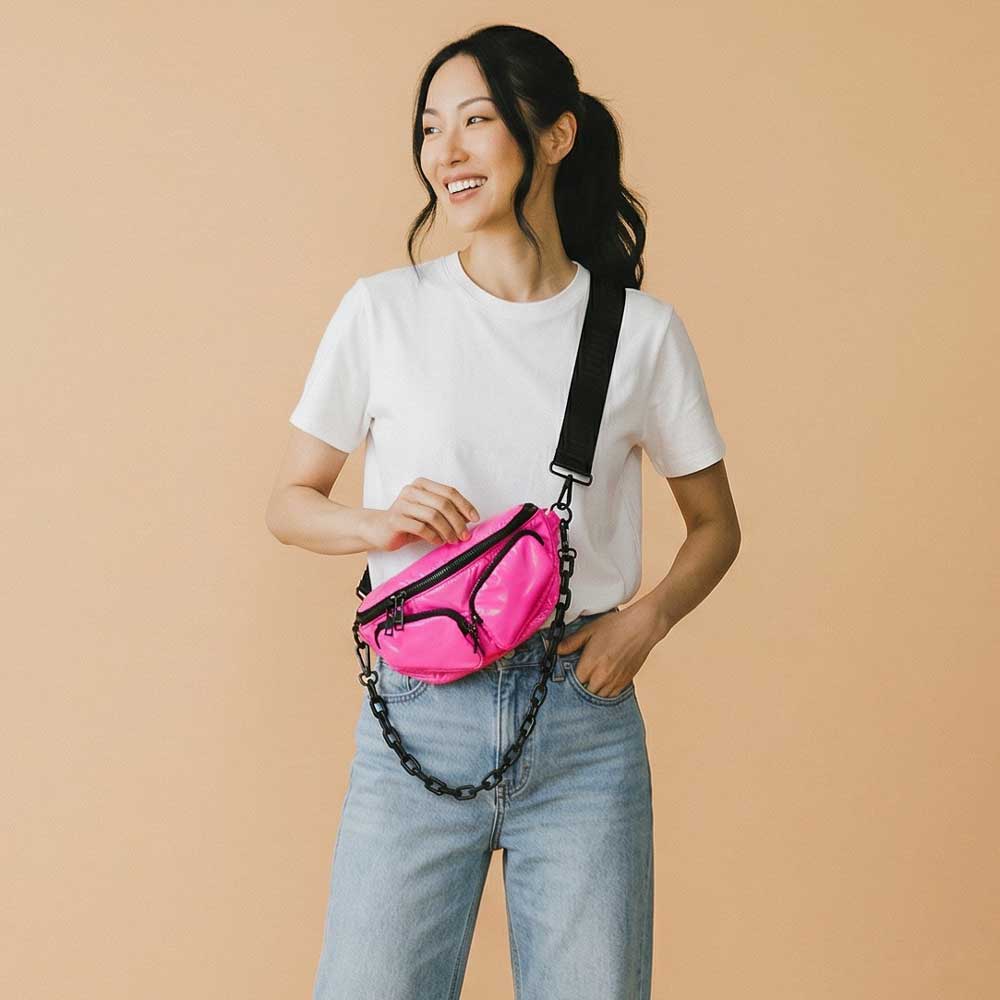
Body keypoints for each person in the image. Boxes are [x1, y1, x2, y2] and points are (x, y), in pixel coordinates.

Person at [265, 23, 741, 1000]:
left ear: (554, 134)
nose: (444, 149)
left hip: (580, 721)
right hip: (415, 710)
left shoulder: (637, 332)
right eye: (431, 127)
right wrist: (376, 522)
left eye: (475, 120)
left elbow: (716, 525)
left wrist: (646, 619)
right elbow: (289, 502)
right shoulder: (382, 311)